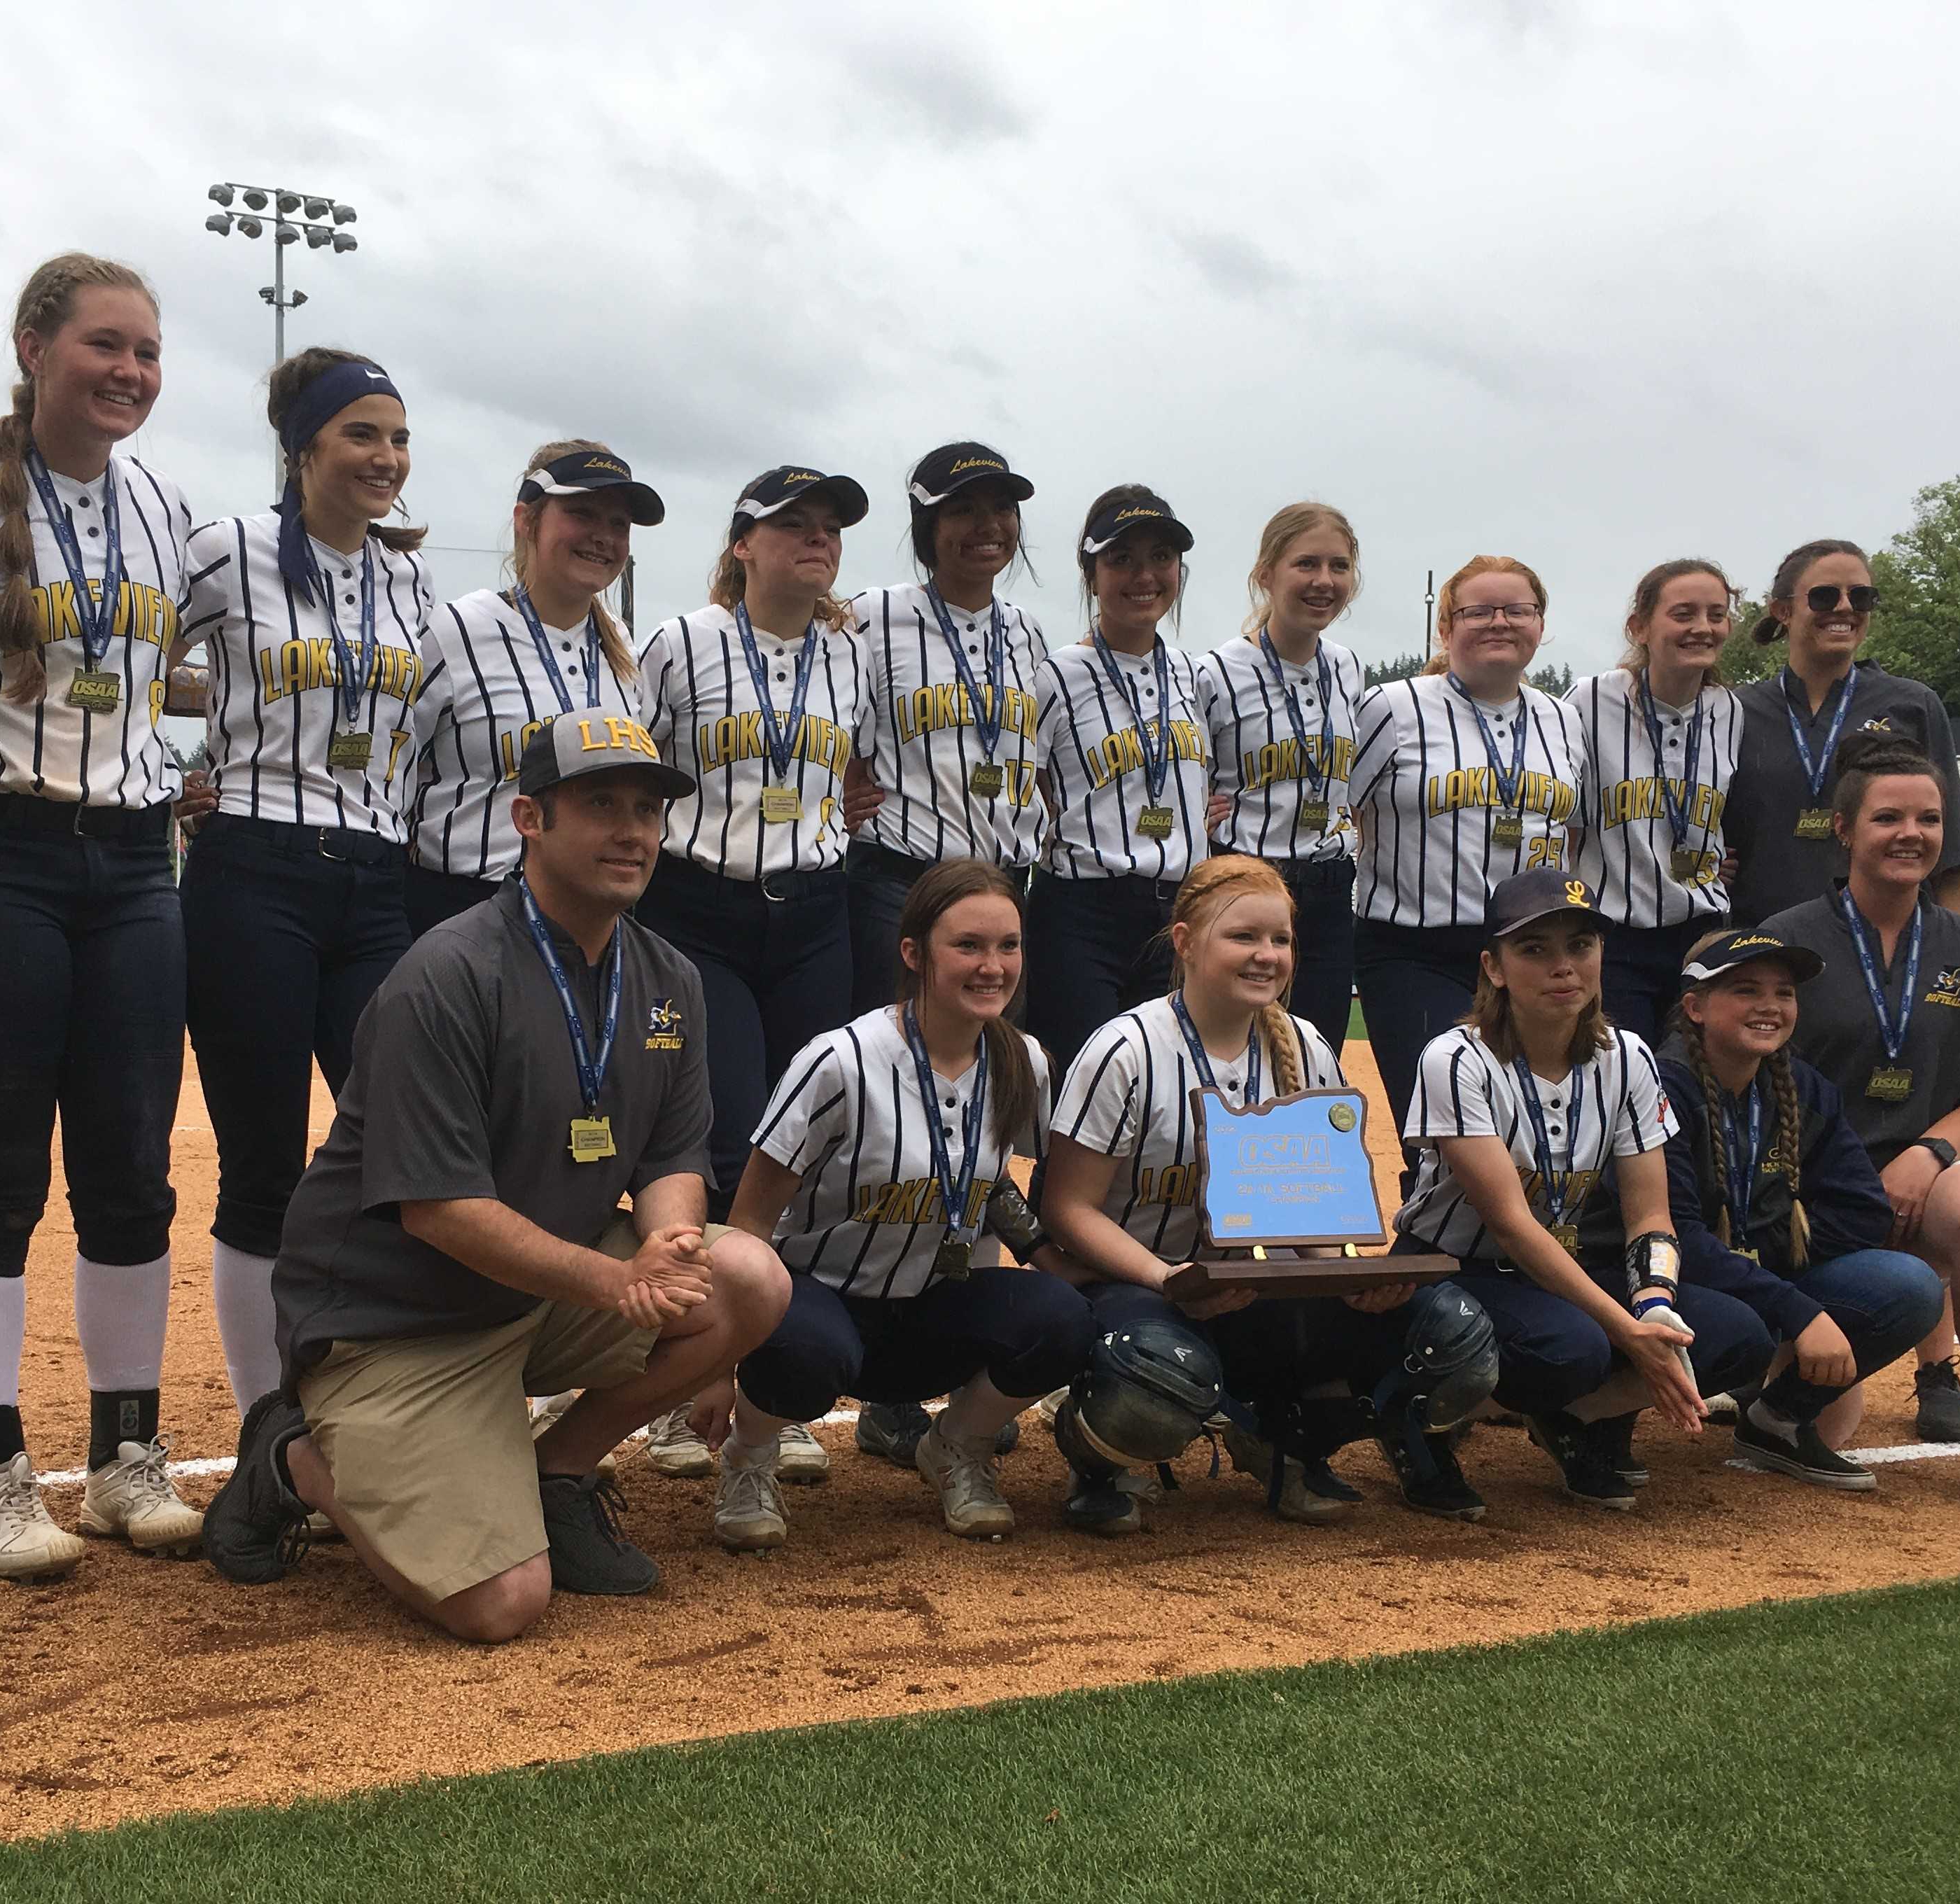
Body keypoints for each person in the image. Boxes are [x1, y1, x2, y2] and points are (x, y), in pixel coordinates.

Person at [200, 715, 793, 1643]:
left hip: (536, 1300)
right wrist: (617, 1279)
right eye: (599, 804)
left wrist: (669, 1240)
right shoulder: (447, 973)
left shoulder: (668, 978)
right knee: (501, 1606)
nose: (632, 830)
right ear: (528, 818)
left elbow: (673, 1157)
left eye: (646, 809)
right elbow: (439, 1211)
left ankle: (557, 1474)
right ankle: (292, 1459)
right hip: (393, 1323)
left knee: (747, 1277)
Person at [0, 252, 200, 1579]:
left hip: (136, 866)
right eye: (104, 346)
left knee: (133, 1171)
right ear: (33, 345)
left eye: (145, 350)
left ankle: (128, 1459)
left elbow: (187, 676)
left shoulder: (168, 510)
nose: (129, 371)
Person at [1042, 856, 1495, 1532]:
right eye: (1243, 937)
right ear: (1185, 942)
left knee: (1449, 1329)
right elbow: (1066, 1209)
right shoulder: (1127, 1048)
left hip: (1260, 1289)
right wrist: (1168, 1279)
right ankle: (1098, 1455)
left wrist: (1344, 1280)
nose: (1266, 955)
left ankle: (1287, 1439)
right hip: (1137, 1286)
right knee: (1155, 1372)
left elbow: (1317, 1208)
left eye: (1280, 940)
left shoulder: (1307, 1045)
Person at [178, 349, 433, 1424]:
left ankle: (378, 1395)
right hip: (254, 873)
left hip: (377, 880)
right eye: (361, 434)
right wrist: (166, 773)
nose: (385, 457)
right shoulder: (226, 553)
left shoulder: (410, 578)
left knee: (398, 1150)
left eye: (397, 437)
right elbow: (113, 661)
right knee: (264, 1165)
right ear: (302, 449)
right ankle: (265, 1423)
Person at [701, 860, 1094, 1548]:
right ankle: (750, 1453)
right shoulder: (839, 1059)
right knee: (803, 1347)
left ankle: (954, 1447)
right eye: (967, 945)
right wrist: (716, 1358)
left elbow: (990, 1178)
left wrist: (1042, 1253)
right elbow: (749, 1220)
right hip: (821, 1301)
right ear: (913, 953)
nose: (992, 965)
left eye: (1008, 945)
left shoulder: (1022, 1060)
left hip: (934, 1305)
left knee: (1062, 1317)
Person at [1391, 872, 1774, 1515]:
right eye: (1535, 949)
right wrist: (1625, 1331)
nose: (1563, 967)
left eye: (1581, 946)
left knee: (1737, 1336)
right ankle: (1408, 1421)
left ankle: (1568, 1418)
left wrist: (1653, 1307)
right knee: (1571, 1347)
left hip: (1560, 1266)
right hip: (1457, 1267)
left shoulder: (1627, 1055)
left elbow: (1649, 1212)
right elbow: (1510, 1224)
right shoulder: (1456, 1058)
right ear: (1495, 967)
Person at [1760, 732, 1960, 1513]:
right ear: (1844, 829)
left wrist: (1928, 1152)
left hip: (1926, 1178)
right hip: (1811, 1195)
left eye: (1927, 818)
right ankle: (1760, 1388)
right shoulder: (1785, 940)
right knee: (1828, 1419)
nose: (1910, 833)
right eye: (1888, 817)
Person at [636, 466, 877, 1220]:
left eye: (830, 528)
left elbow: (862, 764)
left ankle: (794, 1309)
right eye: (793, 523)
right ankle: (726, 1305)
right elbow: (633, 762)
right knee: (733, 1128)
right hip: (700, 908)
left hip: (814, 914)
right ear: (742, 543)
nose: (817, 538)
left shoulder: (849, 653)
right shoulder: (680, 641)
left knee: (810, 1121)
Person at [1658, 927, 1945, 1489]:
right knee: (1739, 1322)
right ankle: (1595, 1428)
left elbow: (1863, 1210)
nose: (1769, 1006)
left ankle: (1775, 1420)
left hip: (1751, 1277)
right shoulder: (1658, 1084)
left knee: (1909, 1285)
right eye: (1745, 989)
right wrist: (1796, 1309)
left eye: (1783, 992)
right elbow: (1673, 1237)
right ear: (1694, 1007)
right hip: (1667, 1286)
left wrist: (1771, 1267)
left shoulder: (1801, 1087)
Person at [1348, 556, 1585, 1172]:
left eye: (1517, 610)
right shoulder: (1391, 706)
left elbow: (1575, 831)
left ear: (1540, 624)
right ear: (1445, 627)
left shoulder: (1563, 718)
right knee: (1439, 1140)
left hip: (1528, 951)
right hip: (1414, 947)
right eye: (1478, 611)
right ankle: (1428, 1268)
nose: (1499, 622)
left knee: (1530, 1130)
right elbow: (1336, 807)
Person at [406, 442, 663, 934]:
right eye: (582, 514)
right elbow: (391, 769)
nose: (602, 537)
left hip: (588, 917)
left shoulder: (623, 648)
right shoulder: (455, 630)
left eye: (618, 524)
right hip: (463, 908)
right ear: (527, 519)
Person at [843, 444, 1054, 1012]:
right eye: (962, 510)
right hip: (901, 883)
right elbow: (827, 720)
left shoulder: (1026, 632)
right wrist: (837, 791)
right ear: (927, 527)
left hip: (1002, 885)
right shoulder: (871, 615)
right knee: (893, 1062)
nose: (988, 526)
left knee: (993, 1059)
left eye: (1002, 508)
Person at [1025, 486, 1212, 1077]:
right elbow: (1024, 781)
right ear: (1090, 573)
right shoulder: (1055, 675)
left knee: (1169, 1099)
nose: (1144, 575)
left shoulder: (1194, 675)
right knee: (1085, 1095)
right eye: (1121, 559)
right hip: (1083, 913)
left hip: (1179, 912)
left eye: (1161, 556)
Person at [1723, 538, 1960, 925]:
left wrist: (1951, 953)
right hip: (1764, 950)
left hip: (1885, 945)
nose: (1845, 607)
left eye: (1861, 597)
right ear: (1783, 610)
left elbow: (1954, 854)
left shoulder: (1913, 705)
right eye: (1825, 596)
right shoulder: (1734, 711)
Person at [1194, 503, 1369, 1056]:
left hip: (1328, 884)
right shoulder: (1217, 672)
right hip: (1246, 879)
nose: (1324, 582)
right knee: (1233, 1054)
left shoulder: (1346, 667)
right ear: (1266, 574)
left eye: (1338, 567)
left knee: (1315, 1058)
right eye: (1306, 564)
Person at [1570, 559, 1746, 1042]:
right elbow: (1566, 823)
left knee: (1696, 1086)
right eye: (1683, 614)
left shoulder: (1730, 710)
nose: (1702, 628)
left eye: (1716, 614)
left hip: (1702, 932)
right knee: (1626, 1079)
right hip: (1614, 935)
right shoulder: (1588, 700)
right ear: (1639, 627)